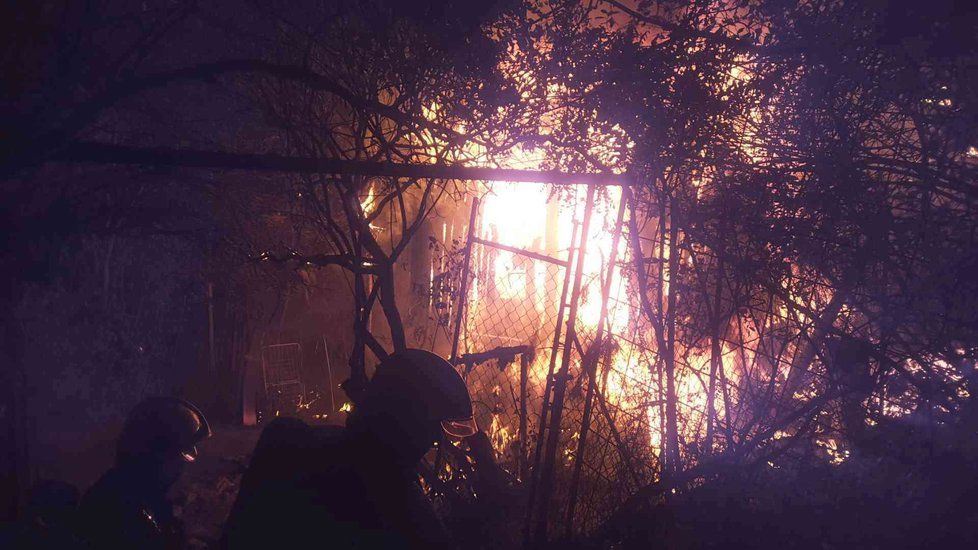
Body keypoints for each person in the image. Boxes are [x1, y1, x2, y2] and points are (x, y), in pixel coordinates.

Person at [221, 348, 478, 549]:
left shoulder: (286, 441)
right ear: (409, 423)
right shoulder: (403, 508)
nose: (434, 441)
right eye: (431, 430)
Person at [76, 397, 211, 549]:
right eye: (173, 458)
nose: (180, 470)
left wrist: (183, 535)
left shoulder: (141, 491)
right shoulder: (119, 507)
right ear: (152, 454)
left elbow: (165, 526)